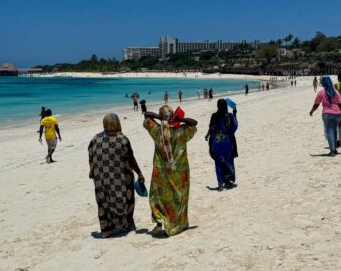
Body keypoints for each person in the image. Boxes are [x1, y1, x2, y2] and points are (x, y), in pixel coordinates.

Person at [143, 105, 198, 237]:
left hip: (161, 172)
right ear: (173, 115)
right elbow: (194, 124)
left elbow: (146, 116)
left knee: (159, 199)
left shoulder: (157, 131)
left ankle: (160, 223)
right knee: (179, 198)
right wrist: (179, 119)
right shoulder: (182, 132)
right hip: (180, 172)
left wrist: (160, 118)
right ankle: (179, 225)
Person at [87, 113, 145, 238]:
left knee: (104, 202)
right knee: (127, 200)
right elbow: (130, 159)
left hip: (101, 178)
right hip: (121, 178)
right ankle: (127, 224)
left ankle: (107, 229)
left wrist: (92, 172)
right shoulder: (122, 139)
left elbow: (91, 158)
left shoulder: (95, 139)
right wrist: (139, 172)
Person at [205, 99, 238, 191]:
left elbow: (211, 128)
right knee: (228, 161)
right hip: (227, 142)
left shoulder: (214, 116)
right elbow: (234, 127)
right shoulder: (230, 116)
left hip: (217, 143)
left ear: (218, 106)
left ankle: (220, 183)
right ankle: (228, 180)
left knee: (218, 163)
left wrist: (207, 135)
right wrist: (235, 114)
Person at [309, 76, 341, 156]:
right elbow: (340, 104)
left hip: (327, 114)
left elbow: (316, 104)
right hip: (337, 113)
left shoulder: (321, 92)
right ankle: (334, 149)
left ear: (324, 83)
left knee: (329, 132)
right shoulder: (336, 92)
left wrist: (311, 111)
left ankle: (332, 151)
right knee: (334, 131)